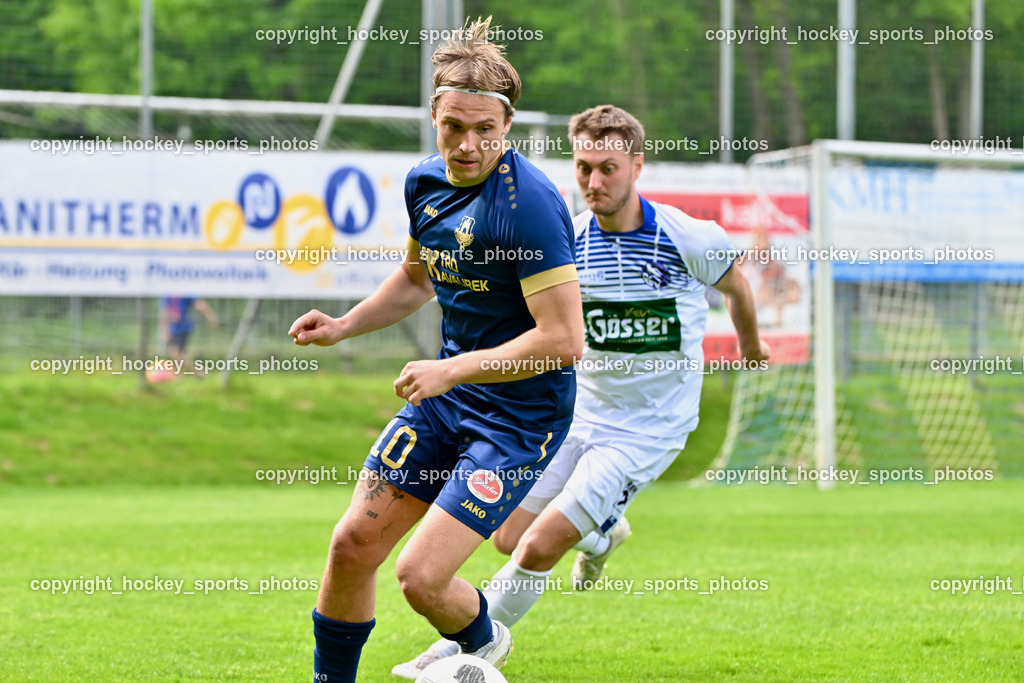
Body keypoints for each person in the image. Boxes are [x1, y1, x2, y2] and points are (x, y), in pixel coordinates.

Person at [393, 104, 769, 679]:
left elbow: (738, 288)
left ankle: (463, 651)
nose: (594, 182)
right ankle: (600, 534)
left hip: (648, 430)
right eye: (584, 167)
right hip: (578, 415)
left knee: (540, 545)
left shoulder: (684, 236)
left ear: (637, 166)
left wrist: (750, 346)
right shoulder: (566, 238)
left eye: (608, 168)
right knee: (509, 537)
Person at [288, 18, 583, 683]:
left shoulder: (528, 207)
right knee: (351, 542)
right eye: (454, 126)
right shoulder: (426, 183)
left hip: (519, 418)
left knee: (420, 578)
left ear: (507, 127)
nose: (469, 144)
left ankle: (481, 640)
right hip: (447, 399)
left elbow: (563, 341)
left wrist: (449, 367)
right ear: (434, 117)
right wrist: (344, 324)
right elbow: (420, 276)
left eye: (486, 129)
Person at [158, 296, 219, 375]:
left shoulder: (185, 293)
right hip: (173, 328)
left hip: (183, 327)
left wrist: (211, 316)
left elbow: (200, 305)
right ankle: (180, 375)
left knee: (175, 352)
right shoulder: (168, 295)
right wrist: (164, 330)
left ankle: (197, 372)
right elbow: (164, 313)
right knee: (178, 354)